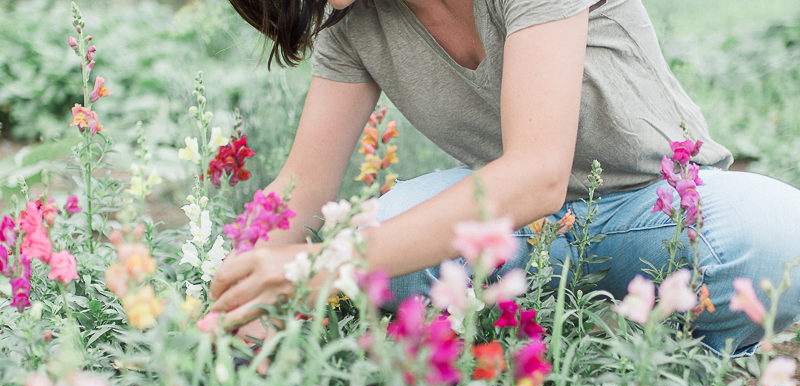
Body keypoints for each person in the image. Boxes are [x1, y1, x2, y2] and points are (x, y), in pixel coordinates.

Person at [210, 0, 800, 356]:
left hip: (652, 209)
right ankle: (558, 330)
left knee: (780, 238)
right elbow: (304, 183)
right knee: (382, 231)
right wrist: (232, 297)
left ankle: (655, 343)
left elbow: (538, 173)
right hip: (513, 231)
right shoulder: (351, 18)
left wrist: (324, 265)